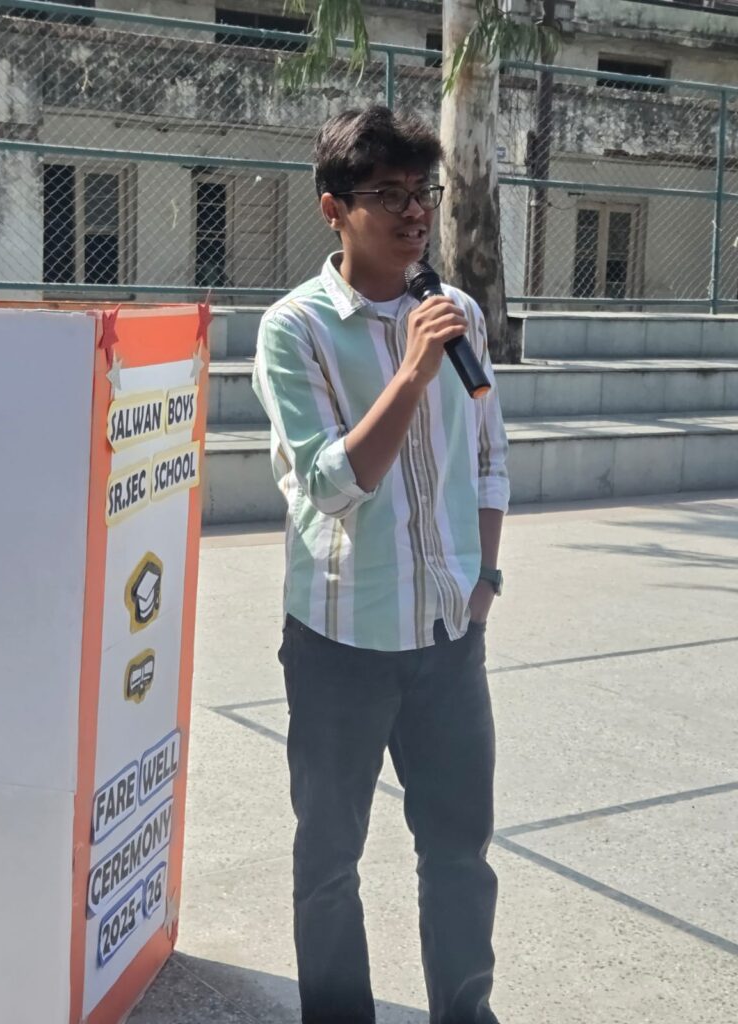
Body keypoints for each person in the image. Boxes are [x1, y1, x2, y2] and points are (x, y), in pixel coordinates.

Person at [252, 105, 510, 1024]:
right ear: (334, 209)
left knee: (459, 854)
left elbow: (489, 456)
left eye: (422, 192)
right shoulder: (295, 329)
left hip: (448, 637)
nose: (415, 213)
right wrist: (409, 373)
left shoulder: (458, 313)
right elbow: (330, 484)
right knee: (329, 863)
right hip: (342, 647)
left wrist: (484, 583)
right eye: (389, 195)